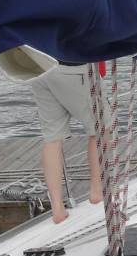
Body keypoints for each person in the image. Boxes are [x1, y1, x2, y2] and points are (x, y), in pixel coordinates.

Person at [30, 64, 103, 223]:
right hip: (72, 67)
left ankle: (57, 209)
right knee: (101, 129)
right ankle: (97, 191)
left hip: (39, 68)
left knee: (52, 139)